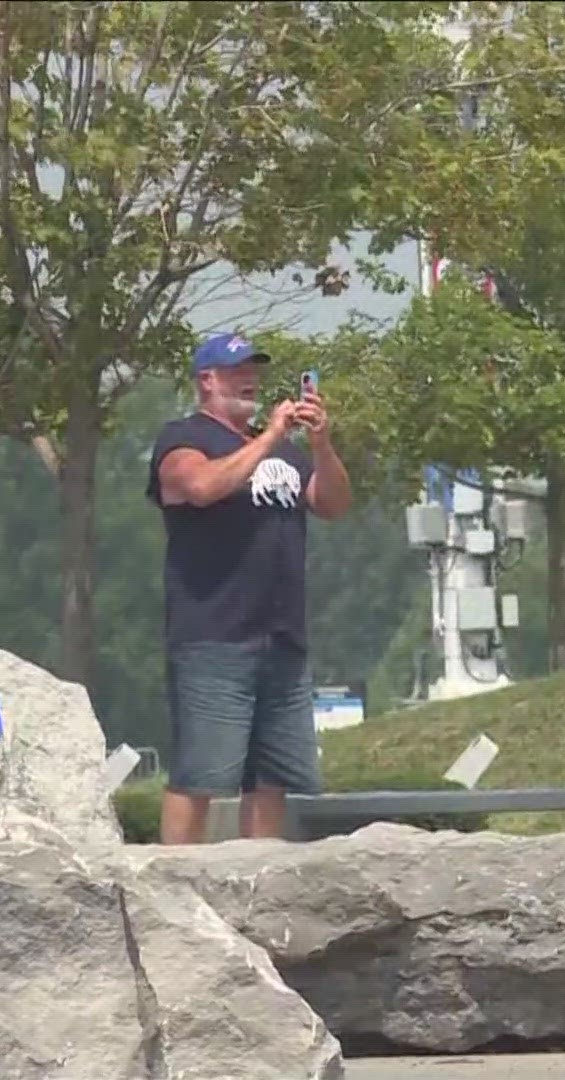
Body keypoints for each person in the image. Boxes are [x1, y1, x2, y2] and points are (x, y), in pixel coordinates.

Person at [146, 332, 353, 844]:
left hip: (281, 636)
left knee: (271, 779)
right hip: (214, 633)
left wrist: (321, 444)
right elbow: (199, 487)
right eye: (236, 370)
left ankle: (261, 880)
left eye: (254, 370)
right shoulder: (183, 438)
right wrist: (265, 440)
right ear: (206, 380)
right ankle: (174, 881)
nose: (250, 380)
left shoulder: (282, 448)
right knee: (201, 774)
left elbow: (332, 503)